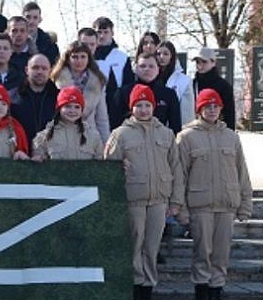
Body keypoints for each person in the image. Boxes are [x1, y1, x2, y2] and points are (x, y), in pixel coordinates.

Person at [104, 84, 184, 300]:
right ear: (132, 108)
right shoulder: (120, 134)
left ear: (154, 107)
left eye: (147, 105)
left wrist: (175, 201)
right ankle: (134, 285)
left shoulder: (166, 134)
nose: (143, 109)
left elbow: (176, 167)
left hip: (159, 200)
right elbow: (108, 168)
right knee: (134, 244)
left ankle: (147, 287)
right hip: (133, 201)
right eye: (138, 105)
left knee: (152, 246)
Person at [176, 89, 253, 300]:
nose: (211, 110)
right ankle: (201, 293)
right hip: (200, 205)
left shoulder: (231, 137)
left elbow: (242, 172)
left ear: (221, 109)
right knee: (203, 254)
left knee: (221, 256)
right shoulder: (186, 137)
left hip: (226, 205)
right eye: (207, 106)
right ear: (199, 109)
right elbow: (179, 176)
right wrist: (181, 209)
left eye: (215, 106)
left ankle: (216, 292)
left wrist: (245, 205)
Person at [50, 41, 111, 145]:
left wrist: (106, 143)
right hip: (62, 136)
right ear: (68, 59)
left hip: (90, 137)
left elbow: (102, 118)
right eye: (75, 57)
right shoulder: (56, 80)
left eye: (83, 57)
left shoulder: (98, 82)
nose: (79, 61)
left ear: (89, 59)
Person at [111, 52, 182, 134]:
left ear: (158, 69)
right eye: (142, 66)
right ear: (136, 69)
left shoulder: (169, 94)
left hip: (159, 142)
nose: (147, 69)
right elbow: (114, 123)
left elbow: (175, 126)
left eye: (151, 66)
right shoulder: (123, 93)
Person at [31, 86, 101, 161]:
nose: (72, 111)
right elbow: (38, 168)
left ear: (82, 110)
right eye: (68, 106)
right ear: (59, 109)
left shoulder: (93, 137)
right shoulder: (43, 137)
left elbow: (102, 167)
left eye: (77, 107)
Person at [10, 54, 59, 145]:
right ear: (26, 70)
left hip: (50, 154)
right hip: (19, 153)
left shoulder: (59, 98)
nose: (39, 72)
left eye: (44, 68)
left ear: (50, 71)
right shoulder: (12, 97)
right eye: (35, 68)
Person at [91, 17, 135, 114]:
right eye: (99, 32)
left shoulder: (122, 57)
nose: (102, 36)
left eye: (106, 32)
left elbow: (129, 84)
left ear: (112, 33)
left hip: (117, 108)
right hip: (93, 106)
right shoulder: (88, 57)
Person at [192, 47, 236, 129]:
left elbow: (229, 114)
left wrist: (229, 135)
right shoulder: (193, 83)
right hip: (196, 128)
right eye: (197, 62)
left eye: (204, 62)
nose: (200, 65)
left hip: (217, 130)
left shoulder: (223, 86)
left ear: (213, 62)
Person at [157, 41, 195, 125]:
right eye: (158, 54)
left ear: (172, 56)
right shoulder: (151, 77)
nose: (161, 57)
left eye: (166, 54)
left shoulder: (184, 80)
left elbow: (187, 112)